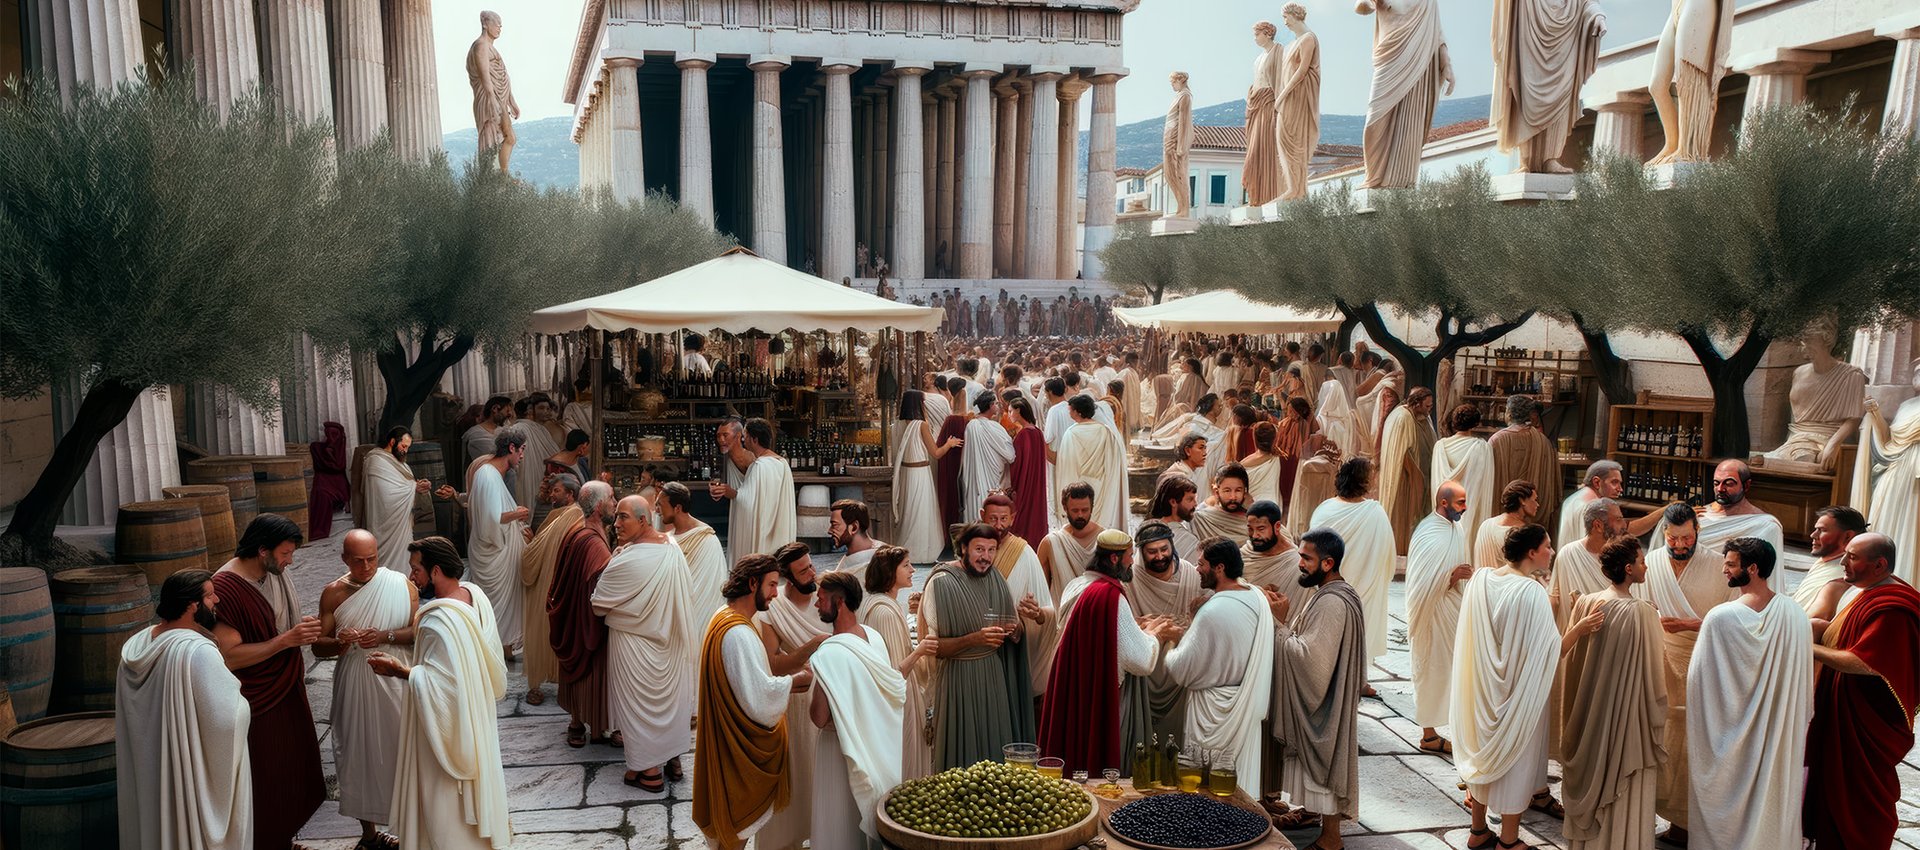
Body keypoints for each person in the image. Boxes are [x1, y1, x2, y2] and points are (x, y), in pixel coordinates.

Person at [371, 536, 512, 850]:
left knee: (444, 797)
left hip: (448, 726)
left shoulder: (437, 619)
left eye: (416, 569)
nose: (412, 576)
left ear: (435, 571)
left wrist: (400, 670)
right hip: (477, 716)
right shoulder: (475, 596)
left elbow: (444, 686)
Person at [1687, 537, 1811, 850]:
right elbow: (1800, 684)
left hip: (1726, 737)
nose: (1723, 569)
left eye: (1730, 564)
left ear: (1752, 569)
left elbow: (1699, 683)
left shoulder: (1720, 618)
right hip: (1775, 735)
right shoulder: (1795, 615)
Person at [210, 515, 324, 850]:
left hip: (285, 687)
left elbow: (272, 623)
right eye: (286, 553)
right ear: (263, 550)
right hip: (256, 699)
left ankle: (287, 838)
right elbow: (230, 656)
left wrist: (294, 626)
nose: (290, 561)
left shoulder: (272, 574)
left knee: (294, 769)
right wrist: (286, 639)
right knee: (267, 775)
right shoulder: (225, 588)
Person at [117, 570, 252, 850]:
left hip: (150, 769)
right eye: (209, 595)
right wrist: (243, 704)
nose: (216, 599)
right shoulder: (196, 651)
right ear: (193, 605)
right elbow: (225, 721)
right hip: (184, 771)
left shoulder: (137, 645)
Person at [1804, 532, 1920, 849]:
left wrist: (1807, 647)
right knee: (1834, 787)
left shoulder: (1893, 608)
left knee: (1861, 797)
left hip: (1867, 723)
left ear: (1879, 564)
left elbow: (1862, 662)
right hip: (1845, 711)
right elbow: (1846, 637)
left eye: (1852, 556)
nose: (1842, 561)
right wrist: (1816, 630)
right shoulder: (1869, 591)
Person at [1452, 524, 1564, 850]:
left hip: (1483, 692)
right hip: (1516, 692)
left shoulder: (1481, 579)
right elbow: (1552, 651)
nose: (1552, 551)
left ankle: (1477, 832)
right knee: (1518, 758)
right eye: (1547, 546)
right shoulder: (1532, 593)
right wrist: (1582, 627)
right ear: (1532, 553)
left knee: (1483, 756)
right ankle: (1509, 840)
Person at [693, 555, 811, 850]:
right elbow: (757, 697)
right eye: (771, 585)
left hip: (725, 741)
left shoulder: (724, 616)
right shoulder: (738, 633)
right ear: (752, 583)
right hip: (738, 753)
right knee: (735, 832)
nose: (775, 593)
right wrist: (796, 681)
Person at [1559, 537, 1668, 850]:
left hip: (1590, 721)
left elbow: (1573, 669)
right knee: (1625, 792)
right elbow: (1654, 680)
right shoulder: (1642, 614)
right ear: (1629, 569)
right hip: (1627, 726)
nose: (1646, 565)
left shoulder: (1586, 602)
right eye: (1642, 561)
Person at [1040, 529, 1176, 777]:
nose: (1132, 561)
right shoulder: (1110, 594)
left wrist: (1138, 626)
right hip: (1103, 697)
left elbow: (1104, 634)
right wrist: (1155, 635)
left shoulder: (1081, 586)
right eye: (1129, 555)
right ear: (1114, 559)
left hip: (1078, 687)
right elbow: (1140, 660)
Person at [314, 530, 417, 848]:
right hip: (355, 680)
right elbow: (319, 646)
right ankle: (370, 833)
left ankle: (410, 827)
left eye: (372, 558)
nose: (367, 566)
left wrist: (384, 636)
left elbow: (416, 631)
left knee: (403, 747)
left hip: (395, 675)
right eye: (358, 561)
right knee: (358, 751)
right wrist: (339, 643)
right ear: (345, 559)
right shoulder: (333, 593)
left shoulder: (401, 584)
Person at [595, 494, 703, 791]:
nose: (615, 523)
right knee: (667, 705)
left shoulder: (627, 560)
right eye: (615, 516)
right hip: (670, 646)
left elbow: (599, 604)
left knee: (638, 707)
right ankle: (670, 762)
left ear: (643, 520)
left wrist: (616, 559)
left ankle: (650, 773)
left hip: (634, 647)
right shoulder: (672, 547)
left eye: (623, 517)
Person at [1266, 528, 1367, 844]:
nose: (1299, 564)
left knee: (1324, 760)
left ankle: (1331, 838)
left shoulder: (1333, 603)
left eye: (1306, 558)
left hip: (1324, 703)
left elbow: (1313, 662)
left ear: (1328, 563)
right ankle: (1313, 814)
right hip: (1330, 696)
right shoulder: (1332, 592)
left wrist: (1279, 623)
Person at [1164, 538, 1276, 799]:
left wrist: (1170, 639)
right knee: (1236, 788)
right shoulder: (1255, 596)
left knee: (1207, 787)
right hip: (1245, 703)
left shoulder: (1212, 611)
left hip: (1213, 711)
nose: (1196, 568)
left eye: (1202, 564)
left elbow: (1183, 668)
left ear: (1220, 568)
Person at [923, 523, 1039, 769]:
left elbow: (1014, 628)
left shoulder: (995, 577)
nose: (986, 557)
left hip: (994, 678)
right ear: (964, 548)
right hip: (958, 681)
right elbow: (935, 649)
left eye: (991, 550)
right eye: (979, 549)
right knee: (960, 756)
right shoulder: (942, 583)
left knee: (995, 750)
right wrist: (974, 639)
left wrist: (1016, 630)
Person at [808, 572, 906, 849]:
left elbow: (819, 717)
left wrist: (817, 673)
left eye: (822, 599)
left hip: (837, 750)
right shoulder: (873, 637)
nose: (817, 605)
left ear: (839, 602)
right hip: (872, 745)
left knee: (836, 823)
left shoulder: (829, 653)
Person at [754, 543, 830, 850]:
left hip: (828, 694)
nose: (812, 573)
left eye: (811, 566)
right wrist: (813, 644)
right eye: (803, 571)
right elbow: (773, 664)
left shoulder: (825, 596)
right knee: (796, 771)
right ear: (787, 577)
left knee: (824, 773)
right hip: (795, 700)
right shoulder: (774, 611)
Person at [857, 546, 939, 781]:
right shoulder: (885, 613)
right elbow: (894, 672)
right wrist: (921, 650)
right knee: (906, 760)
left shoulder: (879, 603)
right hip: (899, 701)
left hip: (896, 696)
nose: (913, 569)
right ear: (889, 572)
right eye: (906, 565)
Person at [1404, 482, 1474, 753]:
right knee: (1431, 671)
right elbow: (1420, 583)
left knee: (1456, 671)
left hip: (1452, 608)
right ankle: (1429, 734)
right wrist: (1452, 576)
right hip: (1431, 614)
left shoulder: (1456, 528)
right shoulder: (1428, 531)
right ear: (1444, 503)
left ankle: (1457, 727)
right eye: (1460, 503)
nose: (1465, 508)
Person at [1309, 457, 1396, 673]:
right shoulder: (1375, 513)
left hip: (1331, 587)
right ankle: (1358, 679)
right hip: (1362, 590)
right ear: (1364, 482)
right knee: (1360, 630)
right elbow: (1388, 557)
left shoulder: (1323, 510)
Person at [549, 480, 617, 749]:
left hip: (573, 616)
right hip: (586, 619)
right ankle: (588, 724)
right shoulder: (593, 543)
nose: (615, 503)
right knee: (592, 669)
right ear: (599, 507)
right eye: (612, 499)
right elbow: (604, 583)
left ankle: (583, 723)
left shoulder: (579, 531)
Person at [1126, 522, 1206, 741]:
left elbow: (1200, 622)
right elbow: (1127, 623)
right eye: (1152, 552)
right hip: (1145, 664)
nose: (1160, 556)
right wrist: (1152, 626)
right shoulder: (1131, 578)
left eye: (1164, 549)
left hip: (1179, 668)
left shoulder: (1190, 574)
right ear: (1141, 552)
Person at [520, 472, 581, 706]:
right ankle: (536, 683)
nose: (552, 494)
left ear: (570, 494)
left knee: (556, 631)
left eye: (557, 491)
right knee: (542, 629)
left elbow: (551, 547)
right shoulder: (559, 514)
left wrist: (532, 544)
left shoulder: (574, 515)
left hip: (558, 581)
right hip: (548, 579)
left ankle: (559, 680)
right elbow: (544, 544)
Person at [468, 428, 530, 654]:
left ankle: (500, 647)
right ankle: (489, 649)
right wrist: (518, 513)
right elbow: (490, 520)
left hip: (496, 551)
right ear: (511, 448)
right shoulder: (488, 474)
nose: (522, 456)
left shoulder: (491, 473)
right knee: (492, 608)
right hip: (492, 553)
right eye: (521, 450)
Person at [716, 418, 798, 567]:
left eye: (745, 436)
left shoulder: (759, 466)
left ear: (754, 439)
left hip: (763, 533)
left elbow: (748, 501)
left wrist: (731, 492)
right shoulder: (782, 463)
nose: (743, 440)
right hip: (778, 529)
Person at [892, 390, 961, 563]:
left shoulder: (897, 425)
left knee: (909, 511)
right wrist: (950, 444)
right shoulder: (920, 424)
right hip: (920, 473)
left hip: (906, 473)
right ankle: (921, 552)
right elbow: (936, 453)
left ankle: (906, 548)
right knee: (922, 511)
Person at [1051, 395, 1129, 531]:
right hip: (1101, 483)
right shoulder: (1105, 431)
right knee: (1099, 523)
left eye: (1071, 409)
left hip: (1079, 486)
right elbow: (1112, 463)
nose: (1069, 412)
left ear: (1077, 412)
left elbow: (1067, 465)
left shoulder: (1071, 433)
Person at [361, 426, 433, 574]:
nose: (405, 451)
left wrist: (419, 487)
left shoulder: (402, 465)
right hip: (384, 526)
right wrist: (413, 488)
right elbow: (384, 496)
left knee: (405, 562)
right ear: (393, 442)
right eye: (403, 446)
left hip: (402, 525)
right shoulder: (375, 461)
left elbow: (406, 485)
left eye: (408, 447)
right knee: (386, 568)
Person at [1489, 395, 1563, 534]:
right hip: (1535, 520)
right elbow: (1553, 483)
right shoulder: (1543, 441)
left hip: (1502, 520)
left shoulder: (1497, 441)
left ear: (1509, 413)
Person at [1377, 388, 1438, 553]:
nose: (1429, 410)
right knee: (1404, 518)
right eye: (1427, 406)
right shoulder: (1402, 417)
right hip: (1405, 480)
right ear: (1416, 403)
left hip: (1421, 477)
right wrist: (1415, 476)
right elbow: (1401, 453)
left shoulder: (1422, 416)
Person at [658, 481, 727, 621]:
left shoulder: (706, 539)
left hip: (698, 616)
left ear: (677, 508)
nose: (657, 510)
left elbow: (709, 588)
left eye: (660, 505)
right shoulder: (669, 538)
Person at [1560, 460, 1660, 546]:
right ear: (1597, 482)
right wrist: (1662, 511)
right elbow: (1624, 529)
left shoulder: (1575, 497)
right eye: (1614, 482)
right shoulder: (1592, 506)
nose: (1620, 489)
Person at [1431, 405, 1495, 534]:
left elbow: (1436, 482)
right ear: (1476, 424)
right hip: (1470, 506)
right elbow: (1481, 484)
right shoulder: (1482, 447)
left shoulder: (1440, 446)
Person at [1794, 505, 1866, 617]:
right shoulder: (1826, 560)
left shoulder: (1844, 575)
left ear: (1847, 536)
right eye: (1816, 529)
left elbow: (1812, 622)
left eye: (1822, 530)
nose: (1813, 535)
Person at [1239, 499, 1306, 618]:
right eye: (1250, 529)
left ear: (1277, 527)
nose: (1254, 535)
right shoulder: (1246, 552)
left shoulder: (1296, 564)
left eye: (1261, 529)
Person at [1040, 482, 1105, 604]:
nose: (1080, 515)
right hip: (1061, 618)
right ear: (1065, 508)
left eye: (1085, 510)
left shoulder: (1104, 541)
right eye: (1075, 510)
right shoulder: (1052, 543)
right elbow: (1042, 592)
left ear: (1092, 507)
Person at [961, 392, 1016, 522]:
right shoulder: (995, 427)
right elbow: (1010, 455)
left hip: (974, 477)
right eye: (996, 403)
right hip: (993, 476)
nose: (998, 406)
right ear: (991, 405)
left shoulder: (971, 425)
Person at [1007, 397, 1051, 547]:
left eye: (1010, 411)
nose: (1009, 414)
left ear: (1019, 410)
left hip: (1024, 483)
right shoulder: (1037, 432)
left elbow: (1017, 463)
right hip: (1036, 482)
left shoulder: (1024, 434)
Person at [934, 377, 970, 534]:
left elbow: (940, 443)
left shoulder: (952, 419)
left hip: (951, 464)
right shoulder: (963, 419)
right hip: (961, 463)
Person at [1476, 480, 1538, 568]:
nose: (1537, 504)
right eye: (1534, 500)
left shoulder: (1486, 524)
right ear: (1522, 501)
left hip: (1483, 581)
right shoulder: (1524, 533)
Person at [1191, 463, 1253, 546]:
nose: (1233, 497)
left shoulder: (1253, 521)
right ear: (1217, 492)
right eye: (1227, 491)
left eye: (1238, 490)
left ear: (1245, 492)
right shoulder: (1201, 519)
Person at [1147, 475, 1203, 564]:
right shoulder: (1187, 539)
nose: (1195, 504)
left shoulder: (1151, 530)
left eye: (1195, 499)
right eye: (1190, 499)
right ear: (1173, 502)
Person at [308, 421, 351, 539]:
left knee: (325, 494)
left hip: (335, 483)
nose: (332, 439)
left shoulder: (338, 450)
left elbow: (338, 465)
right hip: (324, 482)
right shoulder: (318, 449)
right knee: (322, 494)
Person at [461, 395, 511, 480]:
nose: (509, 414)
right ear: (495, 409)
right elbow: (466, 464)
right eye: (507, 411)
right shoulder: (472, 434)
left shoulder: (505, 432)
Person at [1240, 420, 1285, 507]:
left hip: (1250, 507)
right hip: (1273, 505)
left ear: (1255, 438)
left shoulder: (1244, 463)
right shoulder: (1279, 457)